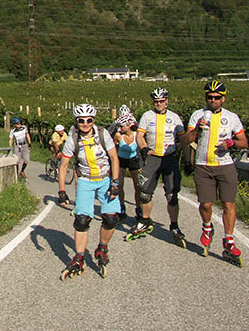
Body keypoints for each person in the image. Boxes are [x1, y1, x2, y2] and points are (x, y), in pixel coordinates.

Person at [185, 80, 248, 266]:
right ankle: (207, 227)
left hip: (225, 165)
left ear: (223, 98)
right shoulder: (197, 115)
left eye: (217, 97)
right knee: (205, 204)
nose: (213, 100)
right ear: (206, 98)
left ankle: (229, 240)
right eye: (210, 97)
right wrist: (196, 129)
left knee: (229, 204)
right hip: (203, 165)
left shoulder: (232, 117)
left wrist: (232, 144)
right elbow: (186, 140)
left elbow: (244, 142)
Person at [58, 103, 120, 279]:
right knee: (82, 220)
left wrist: (115, 183)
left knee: (110, 218)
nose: (85, 123)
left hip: (105, 179)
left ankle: (102, 248)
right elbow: (63, 166)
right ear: (77, 121)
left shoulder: (103, 134)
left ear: (93, 120)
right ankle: (78, 257)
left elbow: (114, 158)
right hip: (85, 181)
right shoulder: (72, 140)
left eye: (89, 120)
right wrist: (62, 190)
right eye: (81, 120)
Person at [126, 87, 186, 246]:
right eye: (156, 101)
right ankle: (145, 220)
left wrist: (187, 159)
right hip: (153, 157)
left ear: (167, 101)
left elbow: (184, 139)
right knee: (144, 192)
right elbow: (140, 135)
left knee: (172, 196)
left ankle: (174, 226)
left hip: (169, 158)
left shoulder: (175, 117)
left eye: (161, 101)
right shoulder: (147, 115)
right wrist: (144, 148)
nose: (159, 104)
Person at [110, 112, 142, 222]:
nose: (120, 128)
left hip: (134, 160)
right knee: (120, 185)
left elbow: (142, 149)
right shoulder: (118, 135)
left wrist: (142, 165)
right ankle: (121, 207)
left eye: (122, 126)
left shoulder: (136, 134)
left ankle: (139, 208)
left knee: (138, 186)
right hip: (121, 160)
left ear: (128, 125)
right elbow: (112, 149)